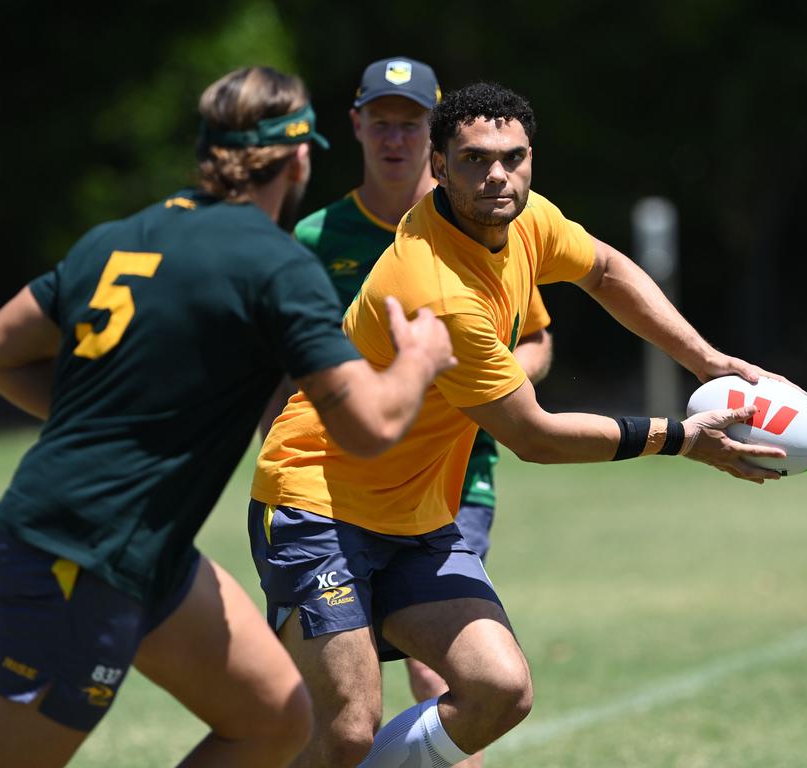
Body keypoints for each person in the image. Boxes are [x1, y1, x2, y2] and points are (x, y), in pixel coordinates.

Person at [249, 81, 788, 768]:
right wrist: (679, 438)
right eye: (474, 160)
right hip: (316, 503)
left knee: (499, 689)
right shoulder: (435, 285)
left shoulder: (527, 219)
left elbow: (607, 270)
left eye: (513, 157)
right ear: (438, 168)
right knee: (349, 728)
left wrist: (708, 362)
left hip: (415, 515)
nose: (497, 175)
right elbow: (533, 437)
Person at [0, 66, 455, 768]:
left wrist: (111, 423)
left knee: (276, 721)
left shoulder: (121, 236)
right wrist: (422, 357)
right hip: (77, 549)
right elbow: (369, 427)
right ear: (299, 155)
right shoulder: (276, 266)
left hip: (149, 549)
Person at [290, 56, 551, 768]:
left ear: (432, 136)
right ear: (358, 126)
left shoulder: (486, 214)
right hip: (340, 486)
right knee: (346, 709)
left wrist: (487, 385)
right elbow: (291, 370)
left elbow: (535, 341)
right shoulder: (316, 240)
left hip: (457, 476)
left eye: (410, 122)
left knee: (452, 676)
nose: (395, 138)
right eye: (383, 122)